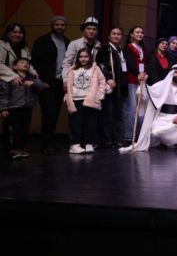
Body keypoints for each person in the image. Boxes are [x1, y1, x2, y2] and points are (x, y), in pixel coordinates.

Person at [121, 64, 177, 152]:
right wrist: (143, 84)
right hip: (162, 118)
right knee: (156, 132)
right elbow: (146, 96)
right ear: (171, 74)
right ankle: (170, 142)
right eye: (176, 72)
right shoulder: (161, 85)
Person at [30, 16, 69, 154]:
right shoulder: (42, 41)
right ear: (52, 25)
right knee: (48, 113)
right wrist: (40, 80)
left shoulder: (67, 42)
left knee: (55, 113)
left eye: (62, 24)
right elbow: (34, 61)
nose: (60, 27)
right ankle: (46, 145)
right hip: (46, 83)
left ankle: (50, 142)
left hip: (60, 83)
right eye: (57, 24)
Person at [0, 58, 46, 159]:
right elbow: (4, 94)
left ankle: (21, 149)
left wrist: (33, 83)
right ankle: (14, 150)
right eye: (22, 62)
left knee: (24, 130)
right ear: (14, 66)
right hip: (13, 109)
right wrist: (4, 108)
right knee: (14, 130)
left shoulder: (32, 77)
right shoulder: (10, 78)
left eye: (27, 63)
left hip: (27, 108)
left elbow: (42, 87)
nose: (25, 64)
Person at [65, 48, 108, 154]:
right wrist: (69, 98)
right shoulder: (73, 69)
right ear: (77, 58)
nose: (83, 59)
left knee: (90, 123)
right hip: (76, 99)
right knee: (76, 123)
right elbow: (69, 85)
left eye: (86, 56)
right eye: (81, 57)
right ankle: (75, 145)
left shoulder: (95, 68)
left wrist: (99, 95)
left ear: (90, 57)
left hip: (90, 99)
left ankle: (89, 143)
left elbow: (102, 82)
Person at [95, 27, 129, 149]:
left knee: (117, 116)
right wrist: (108, 77)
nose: (116, 36)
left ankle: (116, 140)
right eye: (114, 34)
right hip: (108, 87)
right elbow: (100, 64)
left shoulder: (120, 50)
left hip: (119, 89)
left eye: (119, 34)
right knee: (107, 115)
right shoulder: (105, 49)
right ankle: (106, 141)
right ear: (109, 36)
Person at [123, 26, 147, 145]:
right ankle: (128, 137)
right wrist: (138, 74)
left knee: (141, 110)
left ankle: (138, 136)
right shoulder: (128, 47)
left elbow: (144, 64)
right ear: (131, 34)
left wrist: (145, 74)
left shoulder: (143, 48)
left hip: (141, 81)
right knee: (131, 109)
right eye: (137, 32)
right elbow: (130, 64)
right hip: (132, 80)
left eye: (141, 32)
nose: (140, 34)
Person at [62, 16, 101, 81]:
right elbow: (66, 63)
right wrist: (65, 79)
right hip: (76, 79)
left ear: (97, 32)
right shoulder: (74, 44)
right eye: (88, 28)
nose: (91, 31)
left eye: (94, 29)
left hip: (93, 80)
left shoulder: (99, 45)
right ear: (84, 30)